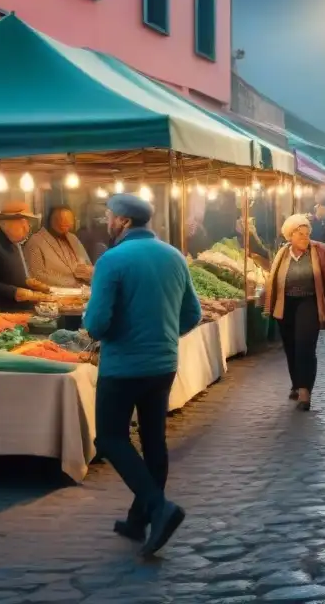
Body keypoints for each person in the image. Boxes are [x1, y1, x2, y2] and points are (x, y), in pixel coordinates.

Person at [84, 194, 202, 557]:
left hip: (122, 366)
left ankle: (157, 506)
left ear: (122, 221)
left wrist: (103, 331)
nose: (107, 221)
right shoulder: (174, 256)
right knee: (154, 441)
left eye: (109, 216)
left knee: (110, 438)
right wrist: (162, 336)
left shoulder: (112, 260)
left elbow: (96, 322)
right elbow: (192, 314)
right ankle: (139, 521)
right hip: (163, 363)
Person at [265, 214, 325, 410]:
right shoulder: (282, 253)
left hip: (309, 302)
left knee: (305, 347)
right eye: (300, 234)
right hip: (286, 305)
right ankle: (296, 383)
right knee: (291, 347)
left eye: (307, 234)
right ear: (290, 236)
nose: (305, 238)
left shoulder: (320, 250)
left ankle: (305, 392)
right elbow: (273, 280)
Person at [25, 205, 94, 288]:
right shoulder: (35, 241)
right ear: (49, 221)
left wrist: (90, 273)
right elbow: (36, 276)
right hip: (55, 293)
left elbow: (88, 265)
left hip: (83, 290)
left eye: (68, 220)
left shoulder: (73, 238)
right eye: (58, 219)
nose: (64, 223)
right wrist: (72, 283)